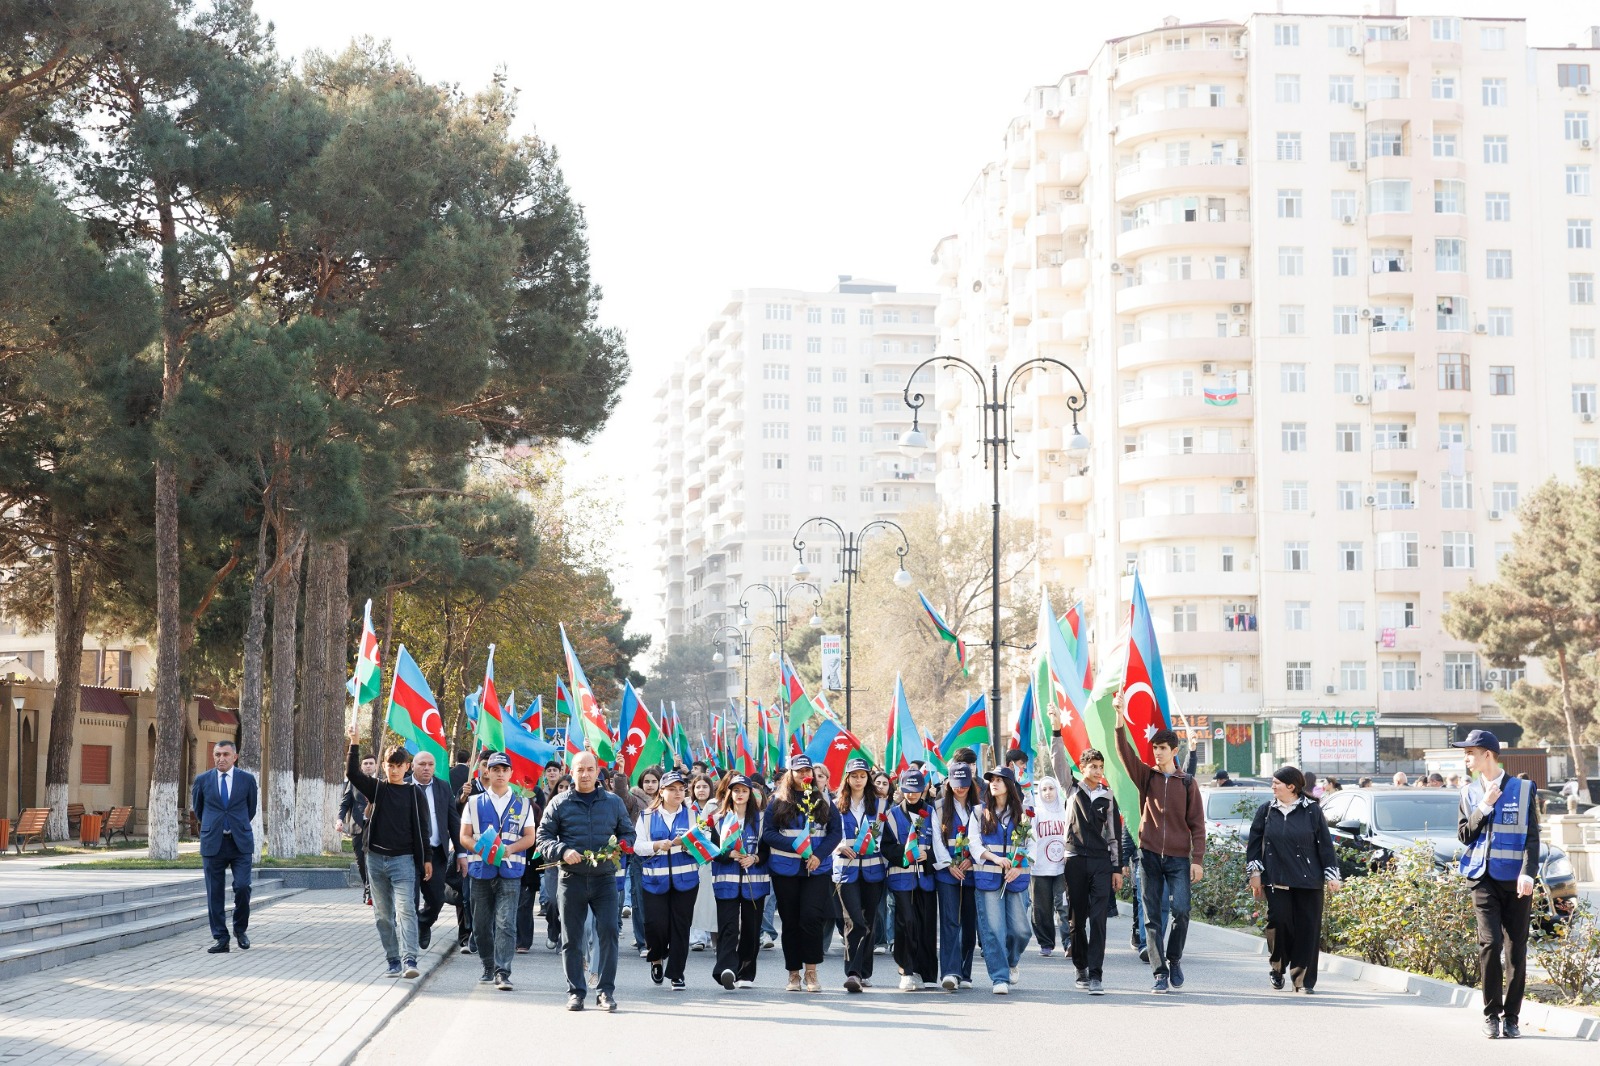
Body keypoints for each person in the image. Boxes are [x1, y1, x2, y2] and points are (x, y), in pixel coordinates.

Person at [1454, 730, 1540, 1040]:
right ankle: (1491, 1014)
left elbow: (1532, 836)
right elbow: (1464, 835)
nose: (1466, 758)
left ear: (1487, 754)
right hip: (1483, 878)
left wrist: (1529, 873)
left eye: (1470, 752)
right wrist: (1485, 806)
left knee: (1516, 950)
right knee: (1489, 945)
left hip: (1516, 880)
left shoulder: (1524, 788)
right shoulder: (1467, 793)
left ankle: (1512, 1017)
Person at [535, 751, 636, 1013]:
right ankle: (576, 992)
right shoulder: (559, 803)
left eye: (590, 769)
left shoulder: (613, 802)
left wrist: (622, 847)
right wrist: (562, 850)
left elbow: (628, 832)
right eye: (580, 770)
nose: (586, 774)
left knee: (609, 934)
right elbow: (543, 837)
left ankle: (605, 991)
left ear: (597, 771)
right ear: (573, 770)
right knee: (572, 939)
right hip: (572, 879)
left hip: (604, 880)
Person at [1116, 722, 1204, 994]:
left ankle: (1174, 959)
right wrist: (1119, 721)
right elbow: (1125, 753)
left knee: (1181, 911)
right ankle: (1159, 973)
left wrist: (1197, 859)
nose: (1157, 753)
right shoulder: (1147, 777)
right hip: (1150, 856)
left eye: (1162, 749)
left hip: (1178, 858)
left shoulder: (1187, 783)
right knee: (1152, 917)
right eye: (1155, 748)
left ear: (1174, 751)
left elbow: (1198, 825)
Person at [1246, 766, 1341, 994]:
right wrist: (1255, 874)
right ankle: (1277, 968)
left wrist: (1331, 875)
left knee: (1308, 929)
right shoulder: (1266, 811)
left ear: (1291, 786)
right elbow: (1254, 846)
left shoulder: (1312, 811)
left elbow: (1325, 846)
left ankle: (1304, 980)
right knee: (1279, 924)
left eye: (1276, 782)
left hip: (1309, 881)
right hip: (1276, 879)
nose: (1272, 786)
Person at [346, 727, 429, 978]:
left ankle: (410, 959)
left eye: (398, 765)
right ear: (384, 766)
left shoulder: (415, 794)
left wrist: (426, 860)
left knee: (406, 909)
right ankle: (393, 958)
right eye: (389, 765)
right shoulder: (377, 789)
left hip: (403, 860)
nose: (394, 770)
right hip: (375, 860)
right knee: (383, 915)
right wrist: (355, 742)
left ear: (407, 767)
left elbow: (422, 830)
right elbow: (351, 773)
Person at [761, 755, 843, 993]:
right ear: (791, 774)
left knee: (811, 919)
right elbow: (769, 834)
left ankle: (811, 972)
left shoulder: (824, 799)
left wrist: (818, 854)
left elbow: (835, 832)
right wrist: (798, 846)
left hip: (816, 869)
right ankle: (793, 973)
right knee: (791, 922)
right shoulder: (777, 800)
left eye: (807, 770)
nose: (803, 775)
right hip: (785, 869)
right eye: (799, 771)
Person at [459, 751, 537, 990]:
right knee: (481, 924)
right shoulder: (473, 802)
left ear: (511, 773)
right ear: (487, 772)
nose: (500, 774)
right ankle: (488, 964)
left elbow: (530, 837)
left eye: (505, 770)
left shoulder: (523, 804)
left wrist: (510, 849)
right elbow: (464, 836)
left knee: (505, 923)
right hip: (481, 870)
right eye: (495, 769)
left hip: (510, 871)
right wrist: (482, 850)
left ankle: (503, 971)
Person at [1062, 750, 1123, 994]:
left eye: (1101, 766)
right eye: (1093, 766)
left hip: (1101, 863)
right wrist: (1056, 730)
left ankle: (1096, 974)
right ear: (1082, 767)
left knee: (1098, 920)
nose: (1098, 771)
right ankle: (1081, 967)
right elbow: (1058, 763)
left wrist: (1116, 868)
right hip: (1075, 860)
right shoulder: (1072, 789)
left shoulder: (1107, 795)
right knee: (1077, 920)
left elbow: (1114, 836)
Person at [634, 770, 700, 990]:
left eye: (681, 789)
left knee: (681, 927)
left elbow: (705, 845)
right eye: (672, 789)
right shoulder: (647, 816)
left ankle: (677, 973)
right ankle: (656, 959)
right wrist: (656, 845)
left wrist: (688, 844)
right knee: (656, 926)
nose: (678, 793)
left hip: (686, 880)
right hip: (655, 881)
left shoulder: (692, 815)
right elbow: (637, 846)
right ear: (662, 792)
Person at [193, 739, 257, 954]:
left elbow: (251, 810)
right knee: (215, 893)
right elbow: (199, 810)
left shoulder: (247, 780)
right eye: (218, 754)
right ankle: (221, 938)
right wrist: (215, 826)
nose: (221, 758)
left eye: (225, 755)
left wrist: (235, 825)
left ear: (234, 757)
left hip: (240, 843)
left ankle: (240, 929)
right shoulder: (202, 780)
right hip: (213, 843)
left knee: (242, 886)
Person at [971, 765, 1031, 995]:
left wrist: (1018, 865)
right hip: (988, 878)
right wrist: (994, 858)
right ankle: (999, 977)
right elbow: (973, 843)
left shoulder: (1024, 814)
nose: (993, 783)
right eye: (991, 780)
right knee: (993, 930)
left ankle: (1011, 960)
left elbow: (1031, 845)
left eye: (999, 780)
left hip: (1015, 878)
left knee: (1020, 931)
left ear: (1010, 785)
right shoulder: (978, 812)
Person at [832, 757, 887, 993]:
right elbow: (824, 834)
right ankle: (853, 973)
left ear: (868, 778)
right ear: (847, 778)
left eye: (863, 776)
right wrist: (838, 846)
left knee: (869, 922)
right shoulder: (834, 805)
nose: (858, 780)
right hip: (845, 871)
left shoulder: (881, 805)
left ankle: (864, 971)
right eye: (854, 776)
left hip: (873, 870)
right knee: (853, 921)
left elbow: (886, 835)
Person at [709, 772, 768, 989]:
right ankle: (725, 969)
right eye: (736, 791)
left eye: (744, 791)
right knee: (728, 927)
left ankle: (745, 971)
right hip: (726, 882)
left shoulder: (761, 819)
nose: (740, 794)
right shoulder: (718, 819)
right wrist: (729, 855)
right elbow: (712, 850)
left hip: (756, 883)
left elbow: (768, 849)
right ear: (729, 793)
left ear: (750, 794)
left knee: (752, 929)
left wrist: (755, 857)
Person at [882, 768, 939, 991]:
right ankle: (906, 970)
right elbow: (886, 846)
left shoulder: (932, 813)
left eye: (916, 790)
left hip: (925, 876)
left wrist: (929, 856)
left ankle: (926, 973)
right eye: (907, 790)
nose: (912, 795)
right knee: (906, 922)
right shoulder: (892, 814)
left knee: (926, 924)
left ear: (924, 789)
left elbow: (941, 846)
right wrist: (904, 855)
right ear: (901, 789)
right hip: (901, 876)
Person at [932, 761, 979, 990]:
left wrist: (973, 858)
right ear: (948, 783)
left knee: (970, 923)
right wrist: (949, 864)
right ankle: (950, 972)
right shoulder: (939, 807)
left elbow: (984, 837)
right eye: (956, 784)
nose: (960, 789)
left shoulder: (979, 807)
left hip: (972, 871)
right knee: (950, 920)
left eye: (965, 784)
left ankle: (965, 972)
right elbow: (937, 841)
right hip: (947, 872)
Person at [411, 750, 460, 952]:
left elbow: (453, 820)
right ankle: (409, 941)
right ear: (412, 766)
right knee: (409, 900)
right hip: (410, 854)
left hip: (437, 852)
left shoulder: (442, 787)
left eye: (430, 764)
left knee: (437, 899)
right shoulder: (404, 786)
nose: (426, 768)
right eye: (422, 764)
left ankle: (423, 923)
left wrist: (461, 852)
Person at [1028, 776, 1068, 960]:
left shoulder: (1065, 812)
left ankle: (1069, 942)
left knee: (1064, 906)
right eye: (1044, 789)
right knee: (1041, 908)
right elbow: (1028, 839)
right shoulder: (1035, 814)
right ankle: (1046, 943)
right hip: (1040, 868)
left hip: (1062, 867)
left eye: (1051, 788)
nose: (1048, 792)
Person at [622, 767, 655, 953]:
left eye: (654, 781)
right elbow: (621, 796)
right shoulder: (634, 799)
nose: (650, 785)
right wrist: (620, 771)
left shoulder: (668, 801)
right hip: (639, 855)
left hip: (661, 856)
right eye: (647, 781)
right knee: (639, 898)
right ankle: (643, 941)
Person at [338, 753, 376, 906]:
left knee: (372, 861)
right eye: (365, 763)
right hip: (358, 828)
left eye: (371, 763)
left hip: (376, 829)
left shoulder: (381, 782)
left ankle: (370, 891)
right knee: (361, 861)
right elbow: (345, 803)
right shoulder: (354, 783)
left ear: (375, 766)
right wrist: (339, 819)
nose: (368, 766)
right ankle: (367, 887)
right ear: (361, 766)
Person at [687, 773, 719, 951]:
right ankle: (698, 937)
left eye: (705, 786)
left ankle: (711, 936)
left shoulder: (715, 806)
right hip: (692, 856)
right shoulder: (687, 806)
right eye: (697, 787)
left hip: (710, 857)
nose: (701, 790)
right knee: (697, 899)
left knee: (709, 899)